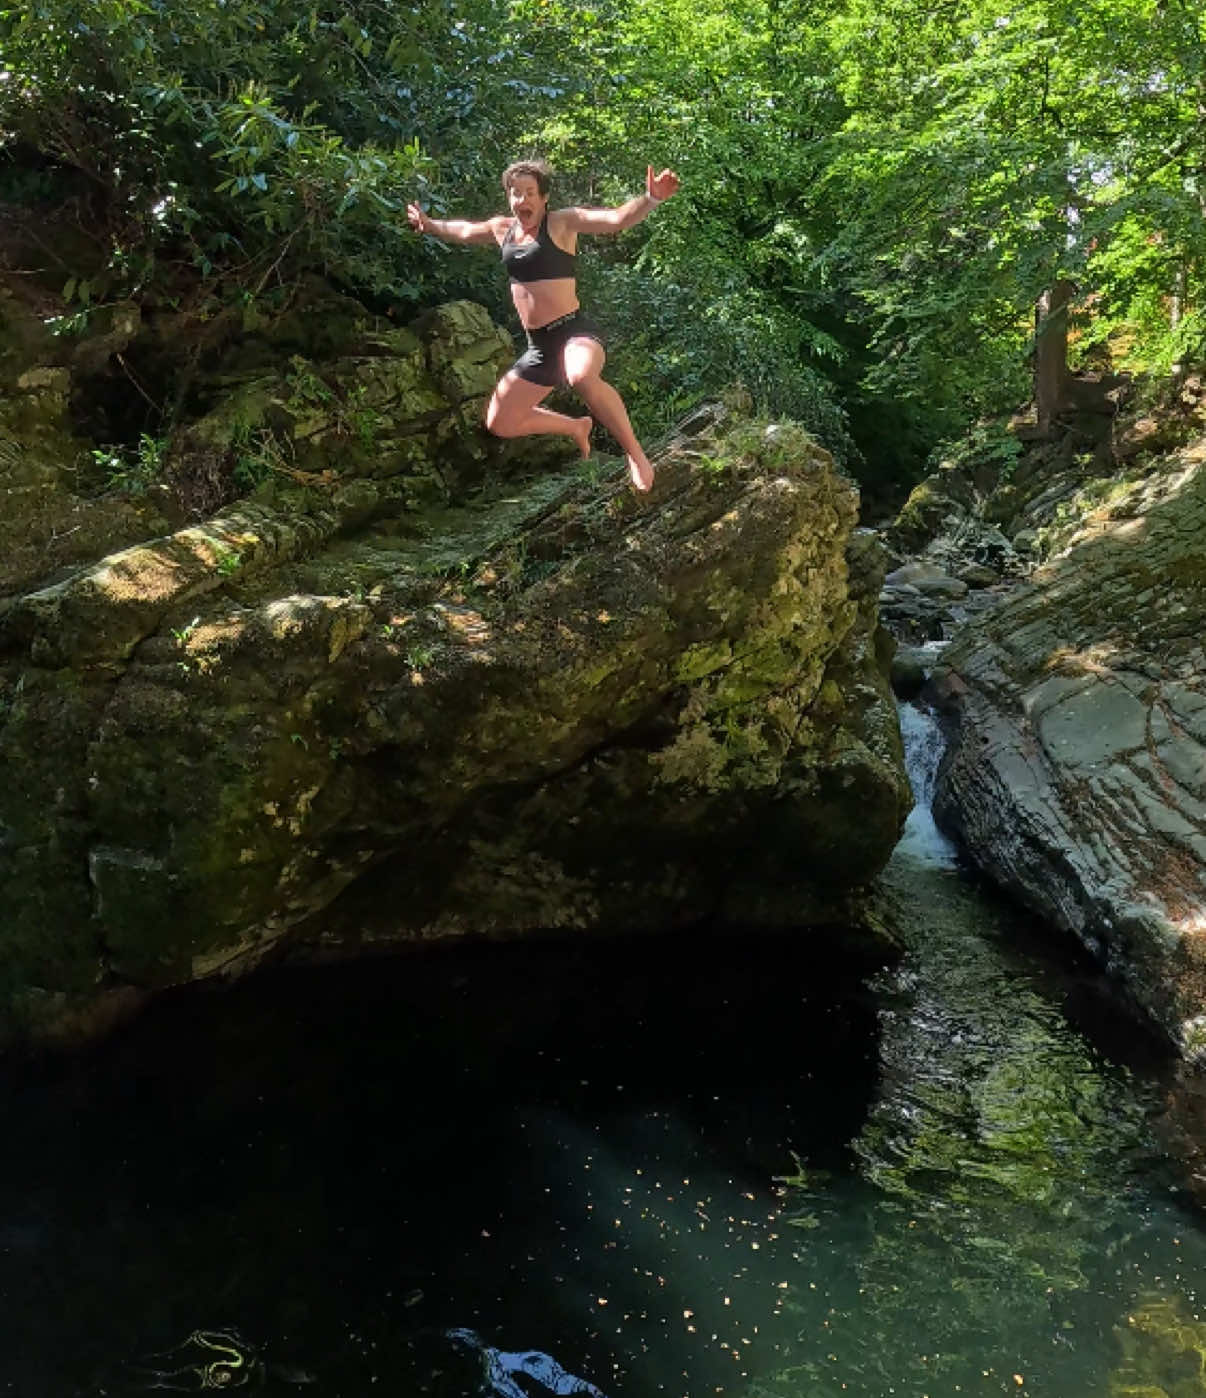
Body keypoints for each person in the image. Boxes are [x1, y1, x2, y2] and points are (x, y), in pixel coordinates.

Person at [407, 157, 680, 493]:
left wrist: (650, 199)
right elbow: (464, 230)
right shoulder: (501, 229)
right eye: (515, 193)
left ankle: (636, 455)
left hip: (575, 333)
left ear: (544, 197)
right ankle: (576, 427)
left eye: (530, 193)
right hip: (539, 347)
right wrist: (429, 224)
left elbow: (615, 219)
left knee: (580, 375)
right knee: (499, 422)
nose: (522, 200)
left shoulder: (562, 223)